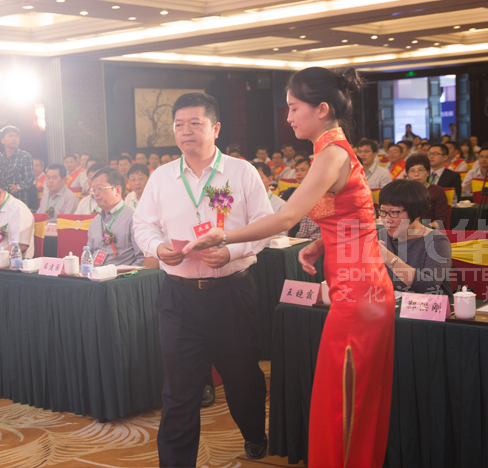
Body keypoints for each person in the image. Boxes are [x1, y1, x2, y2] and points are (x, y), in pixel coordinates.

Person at [184, 67, 394, 468]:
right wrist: (320, 242)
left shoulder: (332, 154)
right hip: (358, 284)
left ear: (322, 109)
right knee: (348, 394)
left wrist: (225, 236)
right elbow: (358, 216)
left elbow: (285, 218)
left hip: (359, 291)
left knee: (344, 397)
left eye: (294, 108)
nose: (289, 117)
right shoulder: (333, 151)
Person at [133, 92, 272, 467]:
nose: (186, 131)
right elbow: (143, 224)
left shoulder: (241, 172)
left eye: (195, 123)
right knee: (178, 390)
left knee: (242, 377)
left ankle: (254, 433)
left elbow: (264, 225)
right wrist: (158, 247)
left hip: (231, 294)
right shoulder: (162, 177)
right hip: (178, 297)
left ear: (216, 128)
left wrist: (232, 251)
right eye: (179, 125)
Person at [377, 180, 453, 300]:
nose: (387, 219)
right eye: (383, 212)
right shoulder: (380, 236)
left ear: (416, 213)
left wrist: (389, 259)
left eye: (394, 212)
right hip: (392, 305)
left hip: (429, 307)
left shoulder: (437, 241)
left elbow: (430, 285)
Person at [86, 167, 149, 267]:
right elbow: (88, 255)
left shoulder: (134, 218)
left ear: (117, 190)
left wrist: (125, 274)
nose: (96, 194)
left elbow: (142, 258)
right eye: (94, 190)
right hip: (95, 273)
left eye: (100, 188)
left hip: (120, 275)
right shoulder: (95, 221)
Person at [0, 126, 35, 208]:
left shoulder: (25, 156)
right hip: (2, 201)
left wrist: (18, 187)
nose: (14, 138)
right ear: (2, 140)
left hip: (20, 200)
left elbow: (30, 178)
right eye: (10, 136)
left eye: (16, 136)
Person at [405, 155, 449, 229]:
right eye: (412, 171)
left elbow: (441, 220)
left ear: (428, 173)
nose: (416, 174)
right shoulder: (403, 192)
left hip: (428, 231)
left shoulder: (437, 191)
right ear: (407, 174)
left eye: (420, 170)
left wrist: (423, 229)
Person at [252, 162, 288, 236]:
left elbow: (281, 236)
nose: (254, 182)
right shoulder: (243, 203)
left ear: (269, 180)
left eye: (259, 177)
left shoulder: (280, 205)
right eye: (251, 178)